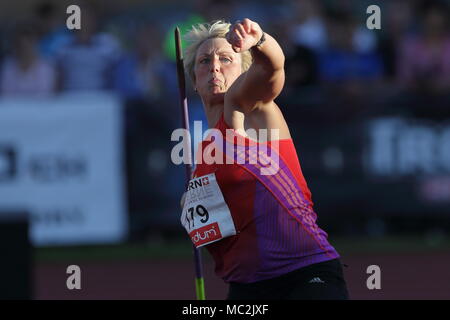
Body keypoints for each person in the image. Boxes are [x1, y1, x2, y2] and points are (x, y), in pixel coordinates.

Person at [180, 19, 349, 300]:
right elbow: (219, 235)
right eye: (204, 61)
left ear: (245, 70)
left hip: (304, 273)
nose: (215, 67)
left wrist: (258, 41)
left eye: (225, 59)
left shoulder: (248, 108)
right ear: (194, 81)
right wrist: (189, 208)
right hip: (247, 288)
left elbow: (272, 68)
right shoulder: (202, 158)